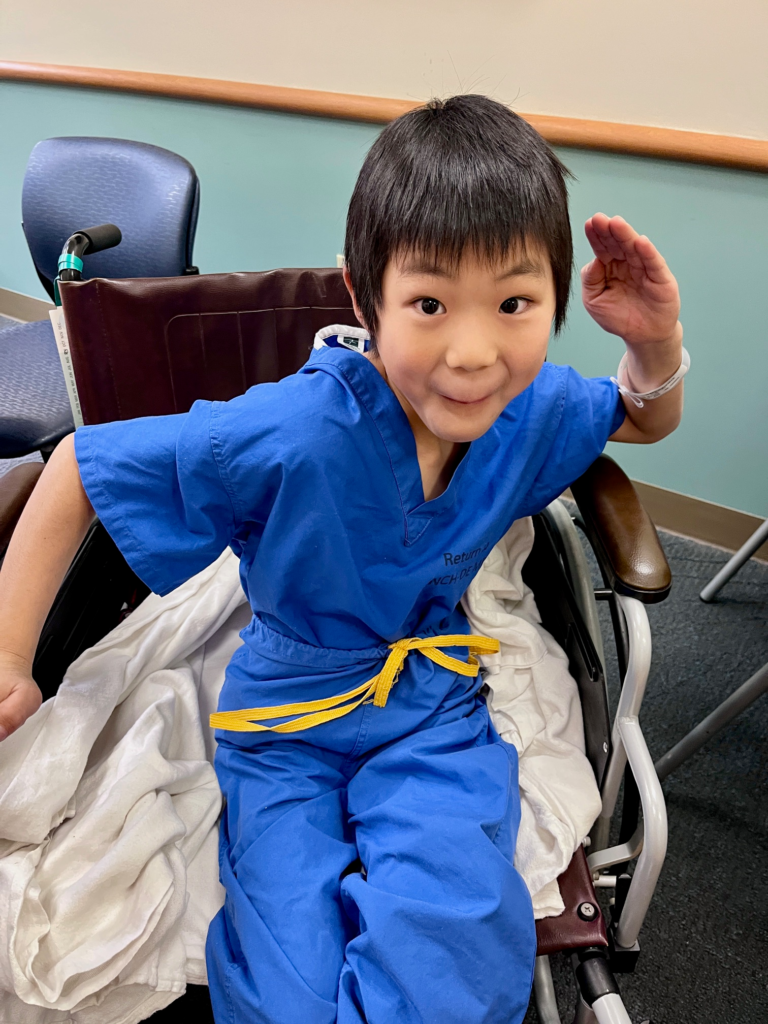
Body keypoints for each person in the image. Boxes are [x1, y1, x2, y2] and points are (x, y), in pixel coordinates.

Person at [0, 95, 685, 1023]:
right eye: (431, 303)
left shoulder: (529, 412)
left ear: (555, 300)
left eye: (516, 302)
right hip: (287, 717)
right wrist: (6, 653)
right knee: (286, 967)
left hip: (432, 701)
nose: (475, 351)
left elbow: (640, 412)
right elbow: (81, 465)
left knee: (461, 932)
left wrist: (653, 339)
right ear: (364, 299)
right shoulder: (293, 431)